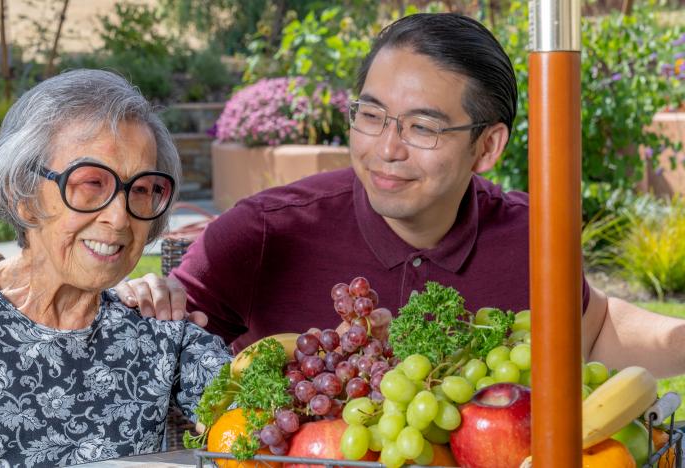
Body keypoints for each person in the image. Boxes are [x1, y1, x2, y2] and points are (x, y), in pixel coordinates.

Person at [115, 13, 685, 378]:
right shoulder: (265, 230)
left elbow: (594, 329)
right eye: (371, 115)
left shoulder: (531, 235)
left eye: (423, 127)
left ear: (486, 148)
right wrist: (145, 298)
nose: (387, 148)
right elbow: (157, 350)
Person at [0, 69, 231, 467]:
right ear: (22, 195)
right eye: (91, 183)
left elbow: (264, 416)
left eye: (143, 190)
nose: (119, 217)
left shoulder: (155, 323)